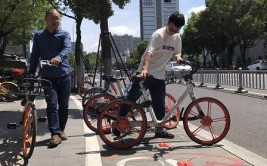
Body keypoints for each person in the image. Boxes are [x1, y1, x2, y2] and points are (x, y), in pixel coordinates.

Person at [117, 11, 185, 138]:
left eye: (176, 30)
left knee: (159, 103)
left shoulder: (177, 38)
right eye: (171, 29)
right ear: (168, 22)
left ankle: (159, 130)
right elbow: (149, 53)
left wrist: (178, 58)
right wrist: (144, 69)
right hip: (146, 73)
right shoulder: (158, 35)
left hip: (159, 76)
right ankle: (118, 123)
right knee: (131, 98)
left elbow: (176, 54)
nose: (173, 32)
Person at [29, 8, 72, 147]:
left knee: (64, 106)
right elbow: (35, 56)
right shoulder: (39, 36)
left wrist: (58, 58)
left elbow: (67, 49)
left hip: (64, 75)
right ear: (45, 19)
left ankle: (61, 129)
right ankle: (55, 133)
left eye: (57, 18)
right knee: (52, 105)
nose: (55, 21)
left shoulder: (64, 34)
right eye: (52, 18)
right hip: (47, 77)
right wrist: (31, 74)